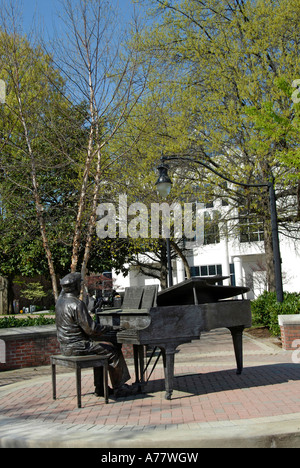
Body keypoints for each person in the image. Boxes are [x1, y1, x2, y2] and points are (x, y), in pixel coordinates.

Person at [55, 272, 133, 398]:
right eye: (80, 284)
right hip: (78, 346)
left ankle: (100, 388)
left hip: (65, 347)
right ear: (76, 287)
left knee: (102, 349)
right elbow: (91, 329)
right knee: (113, 351)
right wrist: (111, 328)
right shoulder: (76, 304)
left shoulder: (60, 303)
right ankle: (120, 387)